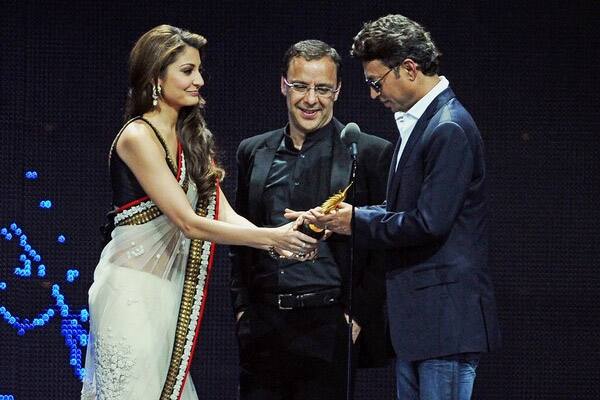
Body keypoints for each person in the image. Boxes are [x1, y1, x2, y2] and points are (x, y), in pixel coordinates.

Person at [80, 25, 317, 400]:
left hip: (167, 296)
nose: (200, 81)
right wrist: (270, 238)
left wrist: (281, 240)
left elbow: (222, 212)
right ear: (157, 76)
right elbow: (188, 223)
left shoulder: (191, 140)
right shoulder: (137, 137)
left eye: (199, 71)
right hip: (131, 296)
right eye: (187, 71)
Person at [306, 15, 501, 400]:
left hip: (444, 322)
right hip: (422, 322)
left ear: (409, 69)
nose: (374, 94)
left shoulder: (448, 127)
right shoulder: (420, 122)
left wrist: (356, 221)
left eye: (376, 82)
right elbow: (401, 208)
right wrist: (340, 219)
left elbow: (428, 222)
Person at [230, 39, 393, 399]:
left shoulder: (366, 152)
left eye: (322, 88)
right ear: (283, 86)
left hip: (330, 324)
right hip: (263, 324)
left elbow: (383, 245)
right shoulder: (253, 152)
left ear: (337, 91)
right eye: (300, 86)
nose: (310, 99)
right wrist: (242, 309)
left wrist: (357, 316)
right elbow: (239, 236)